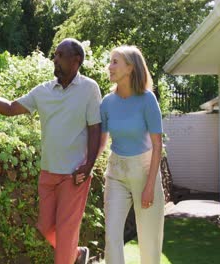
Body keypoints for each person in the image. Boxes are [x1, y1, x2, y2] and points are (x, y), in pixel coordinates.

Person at [0, 38, 102, 264]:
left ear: (76, 60)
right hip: (48, 172)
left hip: (75, 175)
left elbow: (95, 129)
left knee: (65, 232)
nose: (55, 59)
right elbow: (11, 108)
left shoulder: (89, 89)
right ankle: (77, 255)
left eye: (60, 55)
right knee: (45, 227)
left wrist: (88, 164)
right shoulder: (43, 91)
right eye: (55, 55)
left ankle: (68, 256)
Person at [87, 45, 164, 263]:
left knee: (149, 241)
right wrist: (86, 166)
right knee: (111, 236)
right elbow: (101, 144)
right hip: (117, 172)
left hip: (145, 170)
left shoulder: (148, 100)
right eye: (110, 61)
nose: (109, 67)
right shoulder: (107, 103)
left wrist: (150, 185)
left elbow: (157, 146)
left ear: (130, 68)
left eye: (115, 62)